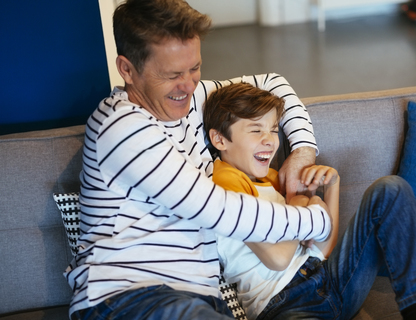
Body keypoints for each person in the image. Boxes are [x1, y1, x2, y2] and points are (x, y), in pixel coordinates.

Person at [65, 1, 330, 319]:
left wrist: (301, 152)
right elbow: (217, 210)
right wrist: (317, 218)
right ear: (127, 69)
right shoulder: (120, 125)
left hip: (199, 300)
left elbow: (274, 84)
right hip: (124, 298)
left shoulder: (192, 99)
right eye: (173, 73)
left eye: (194, 68)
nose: (189, 85)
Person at [203, 82, 416, 320]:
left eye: (274, 129)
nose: (270, 140)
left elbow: (323, 250)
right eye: (256, 129)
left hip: (330, 281)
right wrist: (300, 206)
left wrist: (333, 186)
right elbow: (277, 260)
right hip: (284, 306)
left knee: (391, 188)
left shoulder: (271, 179)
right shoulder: (224, 186)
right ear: (219, 139)